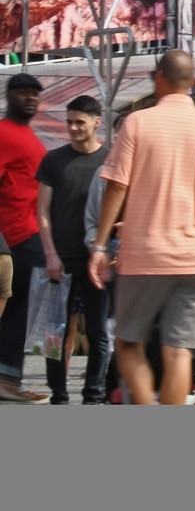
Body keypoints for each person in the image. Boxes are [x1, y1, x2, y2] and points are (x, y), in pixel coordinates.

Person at [88, 50, 195, 406]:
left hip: (145, 255)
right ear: (191, 83)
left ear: (158, 77)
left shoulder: (138, 123)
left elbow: (116, 185)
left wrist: (99, 246)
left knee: (129, 342)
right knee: (179, 351)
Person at [35, 94, 112, 404]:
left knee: (98, 332)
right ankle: (59, 395)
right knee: (54, 334)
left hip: (98, 258)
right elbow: (42, 210)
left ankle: (94, 393)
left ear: (96, 122)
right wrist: (50, 253)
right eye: (69, 122)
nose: (73, 128)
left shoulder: (110, 159)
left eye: (80, 122)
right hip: (61, 259)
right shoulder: (54, 160)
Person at [0, 71, 48, 402]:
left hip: (29, 234)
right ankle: (7, 381)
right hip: (16, 236)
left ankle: (8, 380)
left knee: (20, 309)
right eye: (24, 93)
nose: (30, 98)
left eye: (35, 93)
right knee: (19, 309)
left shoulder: (25, 134)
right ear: (9, 96)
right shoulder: (3, 133)